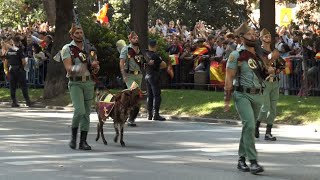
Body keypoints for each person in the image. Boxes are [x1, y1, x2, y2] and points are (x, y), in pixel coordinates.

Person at [224, 22, 274, 175]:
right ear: (242, 37)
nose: (253, 36)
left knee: (248, 128)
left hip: (258, 95)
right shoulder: (236, 55)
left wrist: (269, 70)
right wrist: (227, 100)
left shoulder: (259, 55)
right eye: (250, 34)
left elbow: (264, 72)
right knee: (251, 125)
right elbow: (228, 78)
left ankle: (241, 159)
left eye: (254, 34)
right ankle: (253, 162)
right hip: (242, 94)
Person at [61, 24, 100, 150]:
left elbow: (95, 68)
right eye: (76, 33)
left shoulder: (90, 49)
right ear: (71, 35)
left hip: (89, 83)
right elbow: (68, 68)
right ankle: (73, 138)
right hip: (75, 83)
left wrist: (95, 66)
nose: (79, 35)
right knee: (80, 110)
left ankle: (83, 141)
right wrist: (78, 68)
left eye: (81, 33)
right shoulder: (67, 49)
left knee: (86, 113)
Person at [255, 28, 280, 141]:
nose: (268, 38)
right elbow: (262, 62)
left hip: (275, 81)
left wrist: (278, 67)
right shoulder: (259, 51)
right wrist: (271, 57)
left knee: (273, 109)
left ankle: (268, 132)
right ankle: (256, 126)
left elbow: (280, 64)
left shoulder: (274, 50)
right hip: (265, 82)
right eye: (265, 36)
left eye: (269, 36)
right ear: (261, 39)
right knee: (265, 108)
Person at [119, 31, 144, 127]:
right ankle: (126, 114)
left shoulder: (140, 49)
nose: (136, 39)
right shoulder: (126, 49)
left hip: (139, 75)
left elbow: (143, 60)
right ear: (130, 39)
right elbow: (121, 62)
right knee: (135, 93)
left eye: (137, 38)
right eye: (134, 38)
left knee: (136, 97)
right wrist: (124, 75)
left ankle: (130, 117)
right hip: (129, 75)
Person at [5, 36, 32, 107]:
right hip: (19, 69)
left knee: (12, 87)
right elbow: (23, 61)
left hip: (11, 69)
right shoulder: (19, 50)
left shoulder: (9, 50)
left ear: (13, 41)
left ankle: (14, 102)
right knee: (23, 86)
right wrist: (23, 66)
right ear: (19, 41)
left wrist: (7, 69)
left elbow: (6, 61)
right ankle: (28, 101)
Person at [145, 39, 167, 121]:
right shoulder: (155, 56)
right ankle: (156, 114)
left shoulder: (146, 54)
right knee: (157, 95)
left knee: (149, 96)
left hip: (147, 75)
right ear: (156, 46)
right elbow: (164, 65)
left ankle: (149, 114)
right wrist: (157, 66)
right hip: (154, 76)